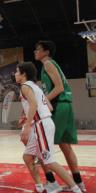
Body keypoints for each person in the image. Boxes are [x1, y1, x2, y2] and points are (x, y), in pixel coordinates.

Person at [15, 62, 82, 193]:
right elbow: (49, 107)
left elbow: (34, 104)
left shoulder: (24, 86)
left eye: (17, 72)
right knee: (28, 157)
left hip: (41, 125)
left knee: (49, 161)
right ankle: (41, 187)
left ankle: (75, 188)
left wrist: (27, 125)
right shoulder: (35, 87)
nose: (15, 74)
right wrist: (28, 117)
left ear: (23, 74)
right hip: (43, 123)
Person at [35, 41, 86, 192]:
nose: (35, 51)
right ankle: (79, 183)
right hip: (65, 105)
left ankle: (51, 181)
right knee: (65, 146)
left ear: (46, 51)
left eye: (38, 49)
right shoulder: (50, 64)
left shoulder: (48, 64)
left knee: (43, 145)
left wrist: (42, 102)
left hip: (60, 105)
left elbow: (59, 88)